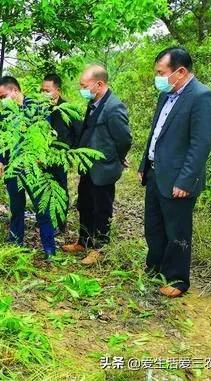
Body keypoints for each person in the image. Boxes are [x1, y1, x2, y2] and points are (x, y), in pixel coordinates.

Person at [138, 47, 211, 297]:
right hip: (155, 173)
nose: (158, 78)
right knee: (153, 226)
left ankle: (177, 279)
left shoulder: (202, 97)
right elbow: (156, 134)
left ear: (180, 71)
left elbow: (200, 144)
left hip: (178, 178)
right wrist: (144, 165)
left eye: (161, 73)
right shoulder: (167, 94)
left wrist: (186, 180)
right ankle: (156, 268)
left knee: (177, 231)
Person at [62, 64, 132, 265]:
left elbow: (124, 139)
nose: (82, 89)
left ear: (99, 84)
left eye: (84, 85)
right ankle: (83, 241)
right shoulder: (94, 103)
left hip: (103, 168)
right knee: (84, 204)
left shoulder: (113, 107)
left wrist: (118, 157)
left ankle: (99, 248)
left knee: (102, 208)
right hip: (87, 167)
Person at [0, 76, 57, 259]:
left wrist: (40, 155)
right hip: (13, 169)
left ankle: (49, 249)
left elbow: (47, 133)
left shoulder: (37, 106)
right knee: (16, 208)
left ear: (15, 91)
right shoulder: (4, 114)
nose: (2, 101)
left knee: (42, 208)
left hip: (34, 168)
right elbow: (2, 141)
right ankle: (16, 244)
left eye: (3, 96)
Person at [41, 73, 81, 232]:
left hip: (59, 158)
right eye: (42, 90)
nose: (44, 93)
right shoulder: (39, 109)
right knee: (44, 190)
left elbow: (78, 133)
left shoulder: (68, 109)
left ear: (57, 90)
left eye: (47, 90)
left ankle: (60, 222)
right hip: (41, 158)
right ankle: (46, 220)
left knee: (60, 190)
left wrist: (70, 155)